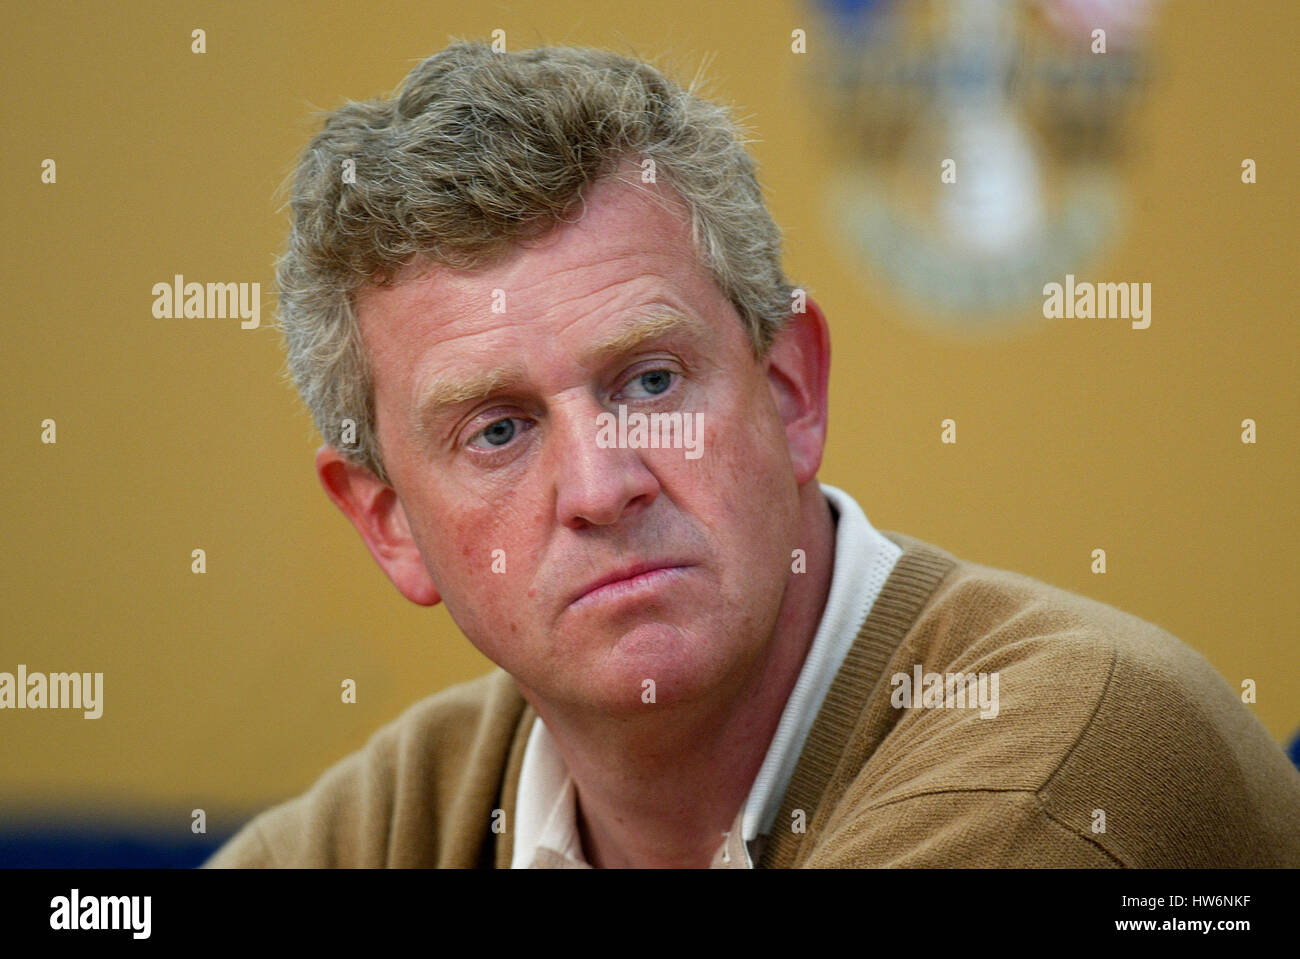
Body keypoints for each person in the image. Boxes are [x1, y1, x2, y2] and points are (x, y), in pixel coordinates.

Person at [204, 41, 1300, 869]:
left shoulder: (1069, 758)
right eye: (497, 429)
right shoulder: (421, 805)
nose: (600, 485)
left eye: (650, 381)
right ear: (390, 523)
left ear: (789, 391)